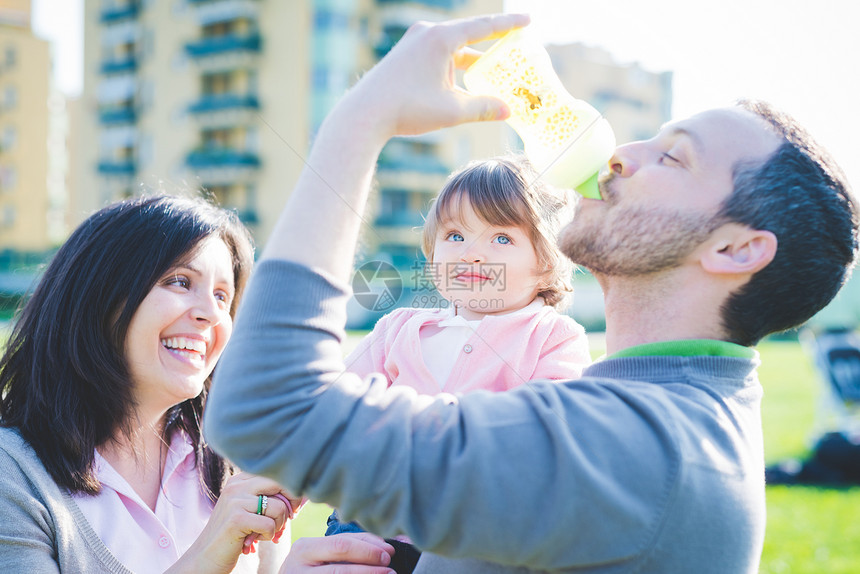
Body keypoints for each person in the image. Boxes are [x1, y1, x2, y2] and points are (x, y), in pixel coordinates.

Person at [204, 13, 859, 574]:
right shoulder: (654, 410)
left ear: (735, 249)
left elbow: (267, 410)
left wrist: (360, 120)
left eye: (675, 157)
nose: (623, 152)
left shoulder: (630, 445)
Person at [0, 195, 299, 573]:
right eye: (180, 281)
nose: (210, 314)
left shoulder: (242, 464)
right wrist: (210, 551)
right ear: (100, 297)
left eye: (222, 296)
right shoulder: (12, 475)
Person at [326, 155, 591, 563]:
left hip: (473, 543)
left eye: (501, 238)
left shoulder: (553, 338)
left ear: (546, 263)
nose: (471, 254)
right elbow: (332, 415)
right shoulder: (398, 329)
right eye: (454, 236)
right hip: (365, 532)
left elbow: (545, 441)